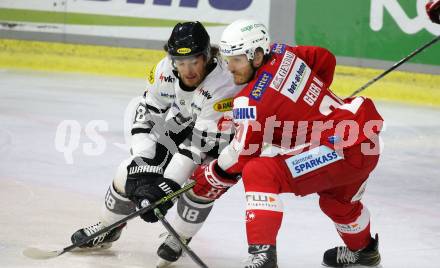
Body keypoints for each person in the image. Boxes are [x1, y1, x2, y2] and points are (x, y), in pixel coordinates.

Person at [186, 19, 384, 268]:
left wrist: (209, 176)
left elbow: (241, 155)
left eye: (237, 60)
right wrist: (308, 101)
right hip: (365, 139)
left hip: (340, 147)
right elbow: (324, 59)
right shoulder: (283, 53)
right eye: (228, 59)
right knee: (337, 202)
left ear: (257, 55)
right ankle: (364, 251)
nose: (230, 67)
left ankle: (263, 256)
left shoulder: (250, 102)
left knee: (259, 171)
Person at [69, 21, 242, 266]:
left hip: (224, 139)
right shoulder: (163, 71)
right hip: (185, 124)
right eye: (181, 63)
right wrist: (144, 165)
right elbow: (147, 115)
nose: (188, 70)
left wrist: (167, 187)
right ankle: (108, 228)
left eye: (194, 61)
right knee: (127, 171)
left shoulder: (224, 85)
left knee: (201, 184)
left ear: (207, 56)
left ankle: (179, 237)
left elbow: (197, 147)